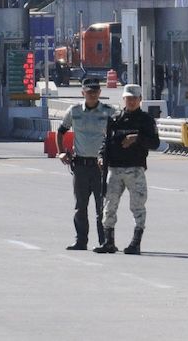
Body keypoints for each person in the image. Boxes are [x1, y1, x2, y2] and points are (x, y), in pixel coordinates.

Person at [95, 84, 159, 255]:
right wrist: (101, 157)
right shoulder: (115, 118)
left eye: (134, 98)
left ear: (140, 100)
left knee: (137, 206)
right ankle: (109, 242)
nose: (130, 101)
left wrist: (137, 138)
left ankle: (135, 243)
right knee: (109, 206)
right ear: (123, 99)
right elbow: (105, 142)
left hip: (135, 169)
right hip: (114, 169)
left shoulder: (146, 120)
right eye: (127, 98)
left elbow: (155, 143)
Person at [57, 78, 115, 250]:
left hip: (101, 167)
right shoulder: (74, 111)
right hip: (81, 165)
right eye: (89, 92)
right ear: (82, 93)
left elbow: (117, 135)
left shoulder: (109, 111)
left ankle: (104, 241)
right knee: (80, 206)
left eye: (95, 92)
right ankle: (81, 241)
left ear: (100, 93)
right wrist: (61, 151)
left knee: (102, 207)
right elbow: (60, 132)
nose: (92, 95)